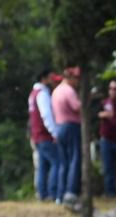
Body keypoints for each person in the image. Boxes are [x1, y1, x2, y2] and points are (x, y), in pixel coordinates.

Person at [28, 68, 62, 201]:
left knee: (43, 166)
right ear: (44, 78)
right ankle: (53, 193)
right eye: (50, 77)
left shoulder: (33, 93)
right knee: (56, 163)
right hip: (44, 135)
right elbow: (46, 115)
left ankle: (42, 193)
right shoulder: (42, 94)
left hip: (37, 135)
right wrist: (54, 133)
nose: (52, 80)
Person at [51, 65, 83, 205]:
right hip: (71, 126)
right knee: (74, 160)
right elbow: (77, 106)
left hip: (59, 127)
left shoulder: (56, 91)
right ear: (70, 77)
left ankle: (60, 194)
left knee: (63, 163)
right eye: (76, 78)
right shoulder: (69, 91)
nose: (78, 81)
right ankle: (71, 192)